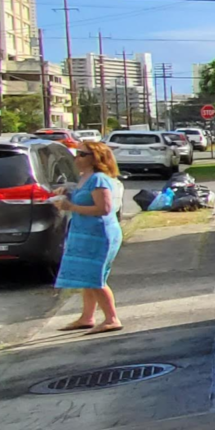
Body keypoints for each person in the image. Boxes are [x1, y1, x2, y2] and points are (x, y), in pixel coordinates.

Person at [54, 141, 126, 332]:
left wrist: (72, 207)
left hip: (99, 234)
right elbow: (84, 196)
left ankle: (111, 318)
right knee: (86, 277)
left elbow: (104, 208)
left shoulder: (99, 179)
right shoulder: (85, 178)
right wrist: (68, 193)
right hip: (84, 233)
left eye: (82, 154)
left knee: (95, 277)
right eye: (77, 153)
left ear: (96, 158)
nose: (77, 157)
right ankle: (87, 317)